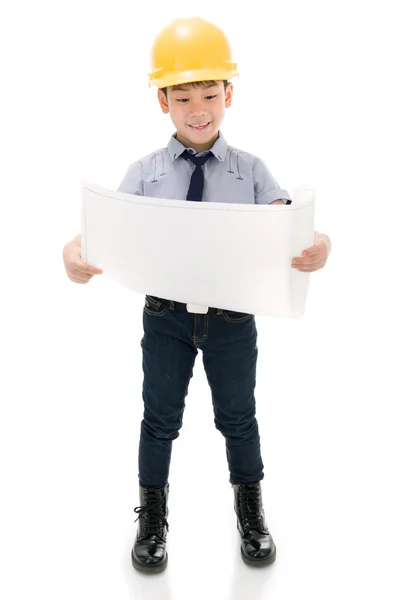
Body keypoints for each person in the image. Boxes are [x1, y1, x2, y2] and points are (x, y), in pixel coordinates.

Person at [62, 16, 331, 574]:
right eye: (182, 97)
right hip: (166, 318)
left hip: (233, 319)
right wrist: (75, 252)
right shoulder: (146, 172)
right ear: (163, 101)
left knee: (240, 417)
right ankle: (152, 518)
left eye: (209, 93)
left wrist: (317, 242)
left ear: (229, 93)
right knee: (159, 418)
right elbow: (106, 229)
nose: (198, 108)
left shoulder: (252, 172)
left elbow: (288, 226)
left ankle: (251, 511)